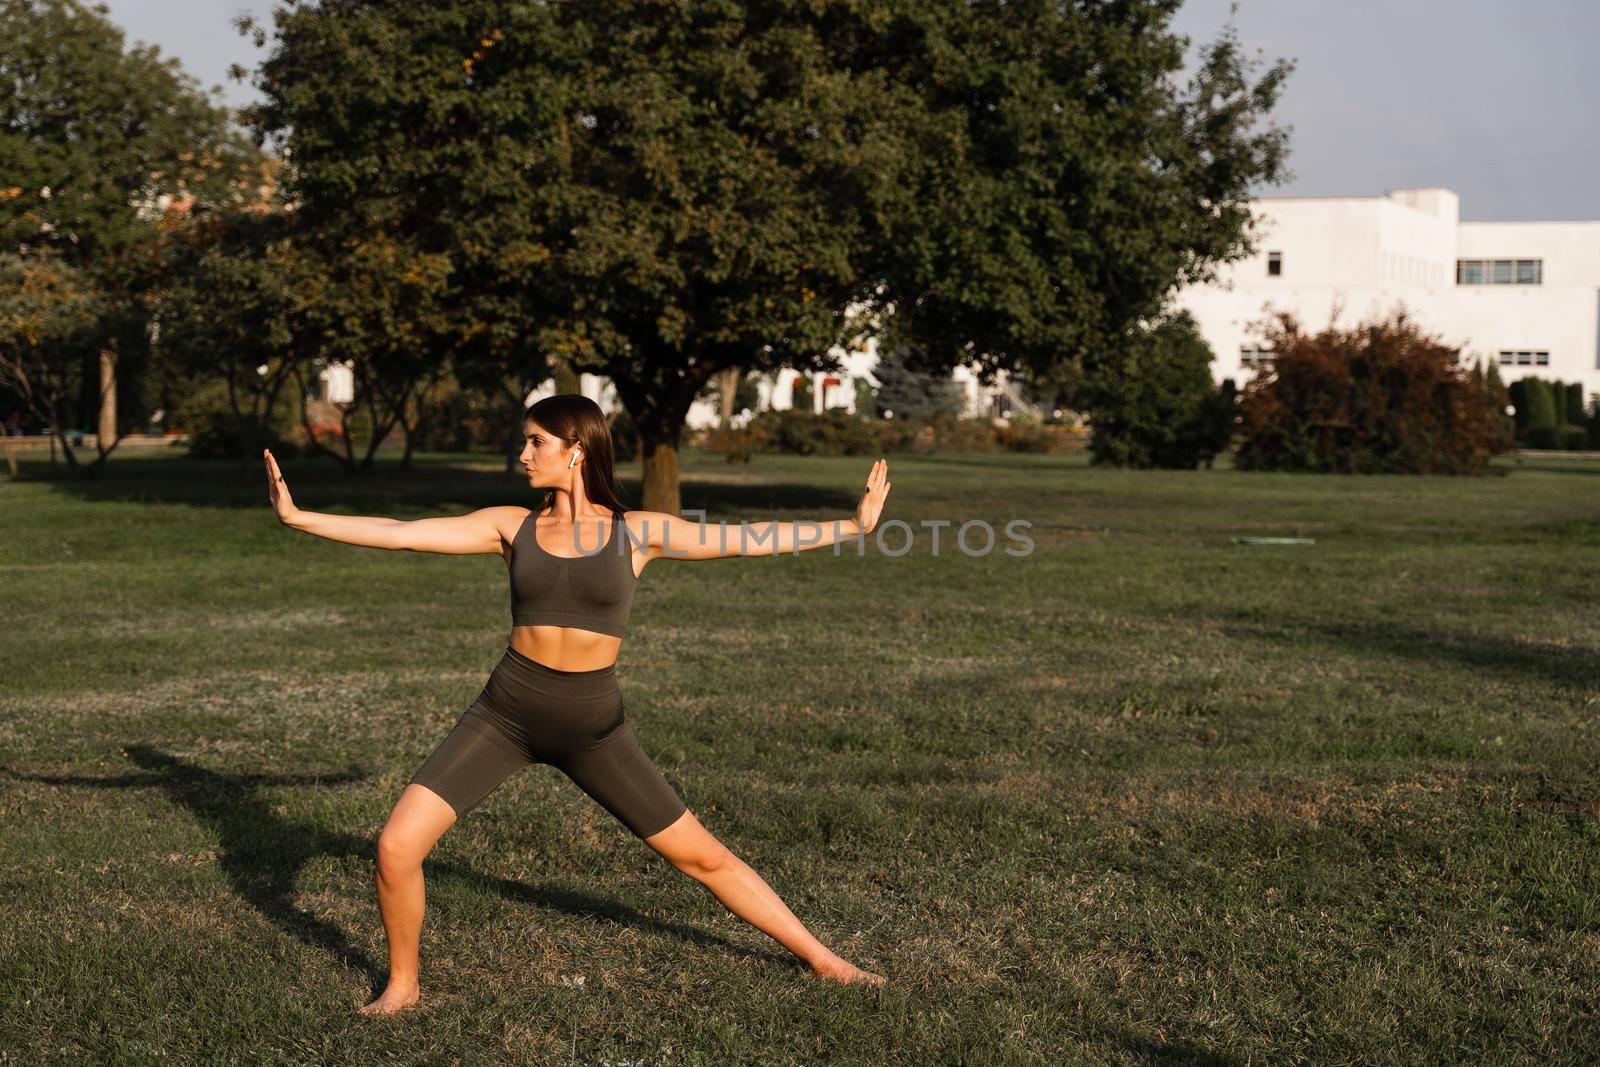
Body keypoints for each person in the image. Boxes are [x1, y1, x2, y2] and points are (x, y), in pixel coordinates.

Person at [262, 394, 893, 1016]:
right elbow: (402, 534)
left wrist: (852, 526)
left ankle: (823, 958)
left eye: (536, 441)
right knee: (396, 846)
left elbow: (748, 538)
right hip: (504, 715)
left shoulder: (637, 532)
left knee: (701, 856)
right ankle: (403, 984)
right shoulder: (511, 525)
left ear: (576, 451)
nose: (522, 453)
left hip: (593, 729)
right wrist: (300, 518)